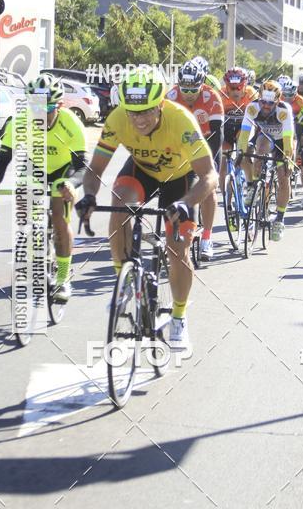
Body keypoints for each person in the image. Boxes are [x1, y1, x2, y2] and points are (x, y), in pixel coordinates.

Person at [78, 69, 217, 349]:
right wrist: (89, 195)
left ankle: (179, 315)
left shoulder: (181, 121)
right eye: (132, 112)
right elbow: (95, 169)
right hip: (141, 172)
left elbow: (210, 175)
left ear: (160, 105)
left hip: (179, 180)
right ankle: (124, 282)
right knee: (119, 204)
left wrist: (187, 203)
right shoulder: (118, 118)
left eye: (145, 112)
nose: (138, 119)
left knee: (177, 247)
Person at [0, 74, 88, 303]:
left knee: (60, 218)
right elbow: (3, 159)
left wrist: (71, 184)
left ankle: (62, 276)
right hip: (34, 168)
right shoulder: (19, 122)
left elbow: (82, 167)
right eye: (36, 106)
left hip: (63, 171)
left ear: (59, 105)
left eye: (47, 107)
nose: (40, 114)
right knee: (24, 204)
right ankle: (34, 245)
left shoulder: (71, 124)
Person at [166, 59, 223, 260]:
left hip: (206, 144)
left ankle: (207, 238)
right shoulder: (171, 96)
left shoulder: (212, 98)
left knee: (208, 188)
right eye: (185, 89)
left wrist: (210, 166)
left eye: (194, 89)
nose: (189, 94)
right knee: (172, 186)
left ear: (202, 84)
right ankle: (174, 231)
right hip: (180, 146)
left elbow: (217, 136)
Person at [238, 79, 293, 241]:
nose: (266, 106)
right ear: (259, 97)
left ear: (278, 100)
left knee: (283, 176)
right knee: (258, 150)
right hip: (266, 137)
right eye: (263, 101)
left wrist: (288, 158)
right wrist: (241, 153)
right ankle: (255, 186)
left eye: (271, 102)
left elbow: (289, 138)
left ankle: (279, 219)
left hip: (283, 140)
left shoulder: (284, 110)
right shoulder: (252, 107)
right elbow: (244, 134)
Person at [219, 67, 257, 191]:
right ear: (226, 86)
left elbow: (259, 117)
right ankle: (225, 198)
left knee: (244, 154)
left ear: (245, 85)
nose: (235, 92)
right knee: (223, 159)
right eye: (231, 88)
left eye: (239, 88)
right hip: (227, 128)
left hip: (244, 127)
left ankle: (251, 186)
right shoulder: (221, 94)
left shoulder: (252, 94)